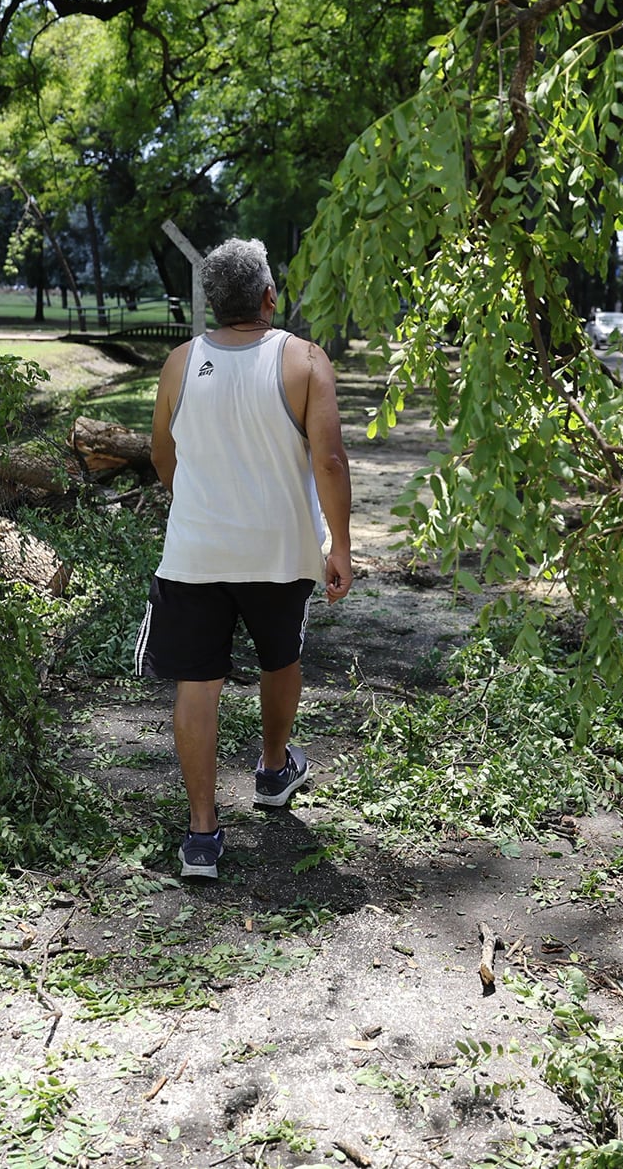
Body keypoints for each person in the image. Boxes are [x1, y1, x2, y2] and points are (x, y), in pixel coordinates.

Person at [138, 239, 354, 880]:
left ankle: (202, 834)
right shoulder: (305, 361)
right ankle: (271, 769)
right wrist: (339, 544)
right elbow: (331, 460)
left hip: (196, 553)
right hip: (279, 550)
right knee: (279, 657)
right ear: (267, 296)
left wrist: (194, 501)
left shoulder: (181, 363)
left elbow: (160, 453)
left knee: (195, 684)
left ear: (212, 303)